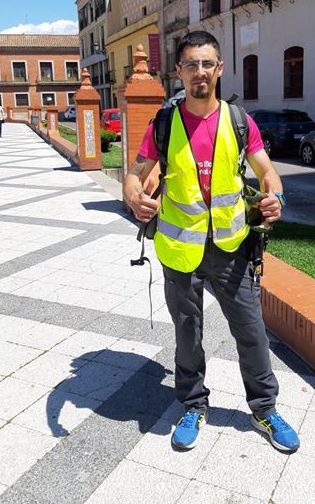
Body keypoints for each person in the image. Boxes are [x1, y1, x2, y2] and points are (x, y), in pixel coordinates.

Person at [123, 31, 300, 453]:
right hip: (179, 252)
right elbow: (134, 172)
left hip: (231, 249)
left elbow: (268, 172)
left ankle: (264, 408)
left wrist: (275, 195)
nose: (199, 72)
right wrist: (132, 195)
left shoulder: (240, 121)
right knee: (188, 333)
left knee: (252, 332)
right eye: (190, 65)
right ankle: (192, 404)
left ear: (219, 69)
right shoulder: (164, 123)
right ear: (178, 72)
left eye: (207, 64)